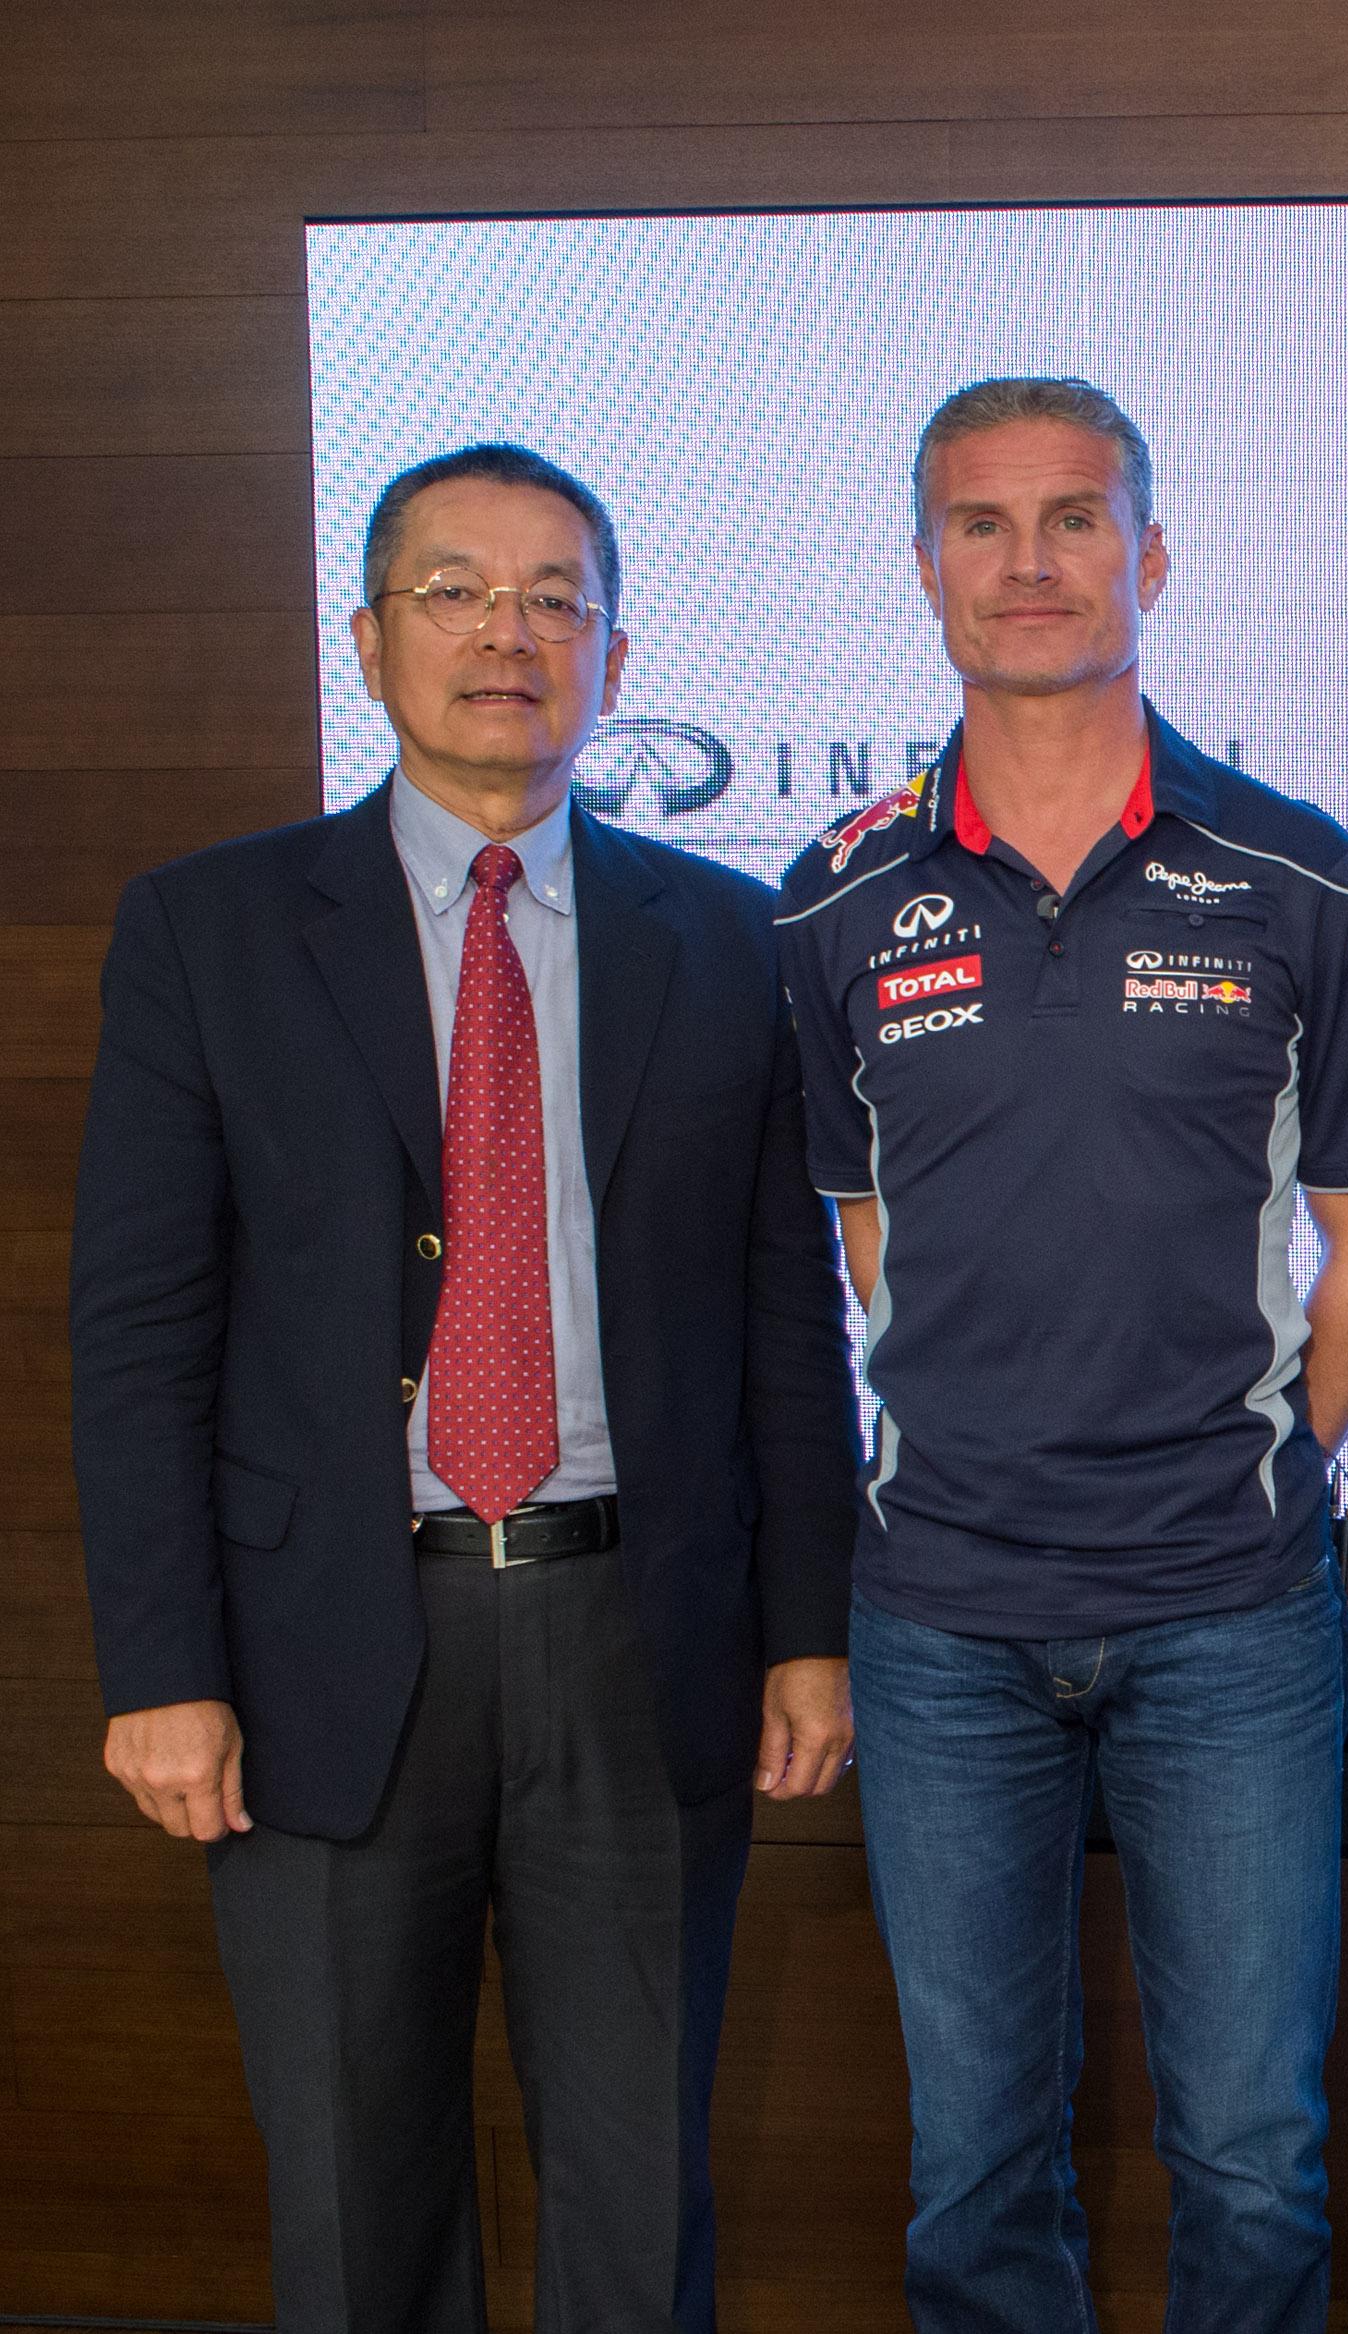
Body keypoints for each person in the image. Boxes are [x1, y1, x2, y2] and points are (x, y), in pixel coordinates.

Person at [70, 441, 861, 2333]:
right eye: (454, 591)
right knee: (356, 2199)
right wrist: (160, 1666)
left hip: (636, 1628)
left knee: (633, 2190)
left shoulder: (723, 940)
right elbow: (140, 1326)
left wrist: (808, 1630)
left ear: (608, 647)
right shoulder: (212, 930)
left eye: (554, 597)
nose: (507, 634)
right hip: (320, 1640)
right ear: (366, 637)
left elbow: (782, 1317)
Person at [772, 376, 1348, 2333]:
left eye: (1074, 521)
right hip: (943, 1607)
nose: (1031, 561)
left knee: (1250, 2151)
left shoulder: (1300, 875)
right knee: (974, 2159)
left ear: (1148, 557)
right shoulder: (833, 898)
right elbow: (863, 1230)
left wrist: (1243, 1458)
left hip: (1230, 1601)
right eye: (984, 525)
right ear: (924, 569)